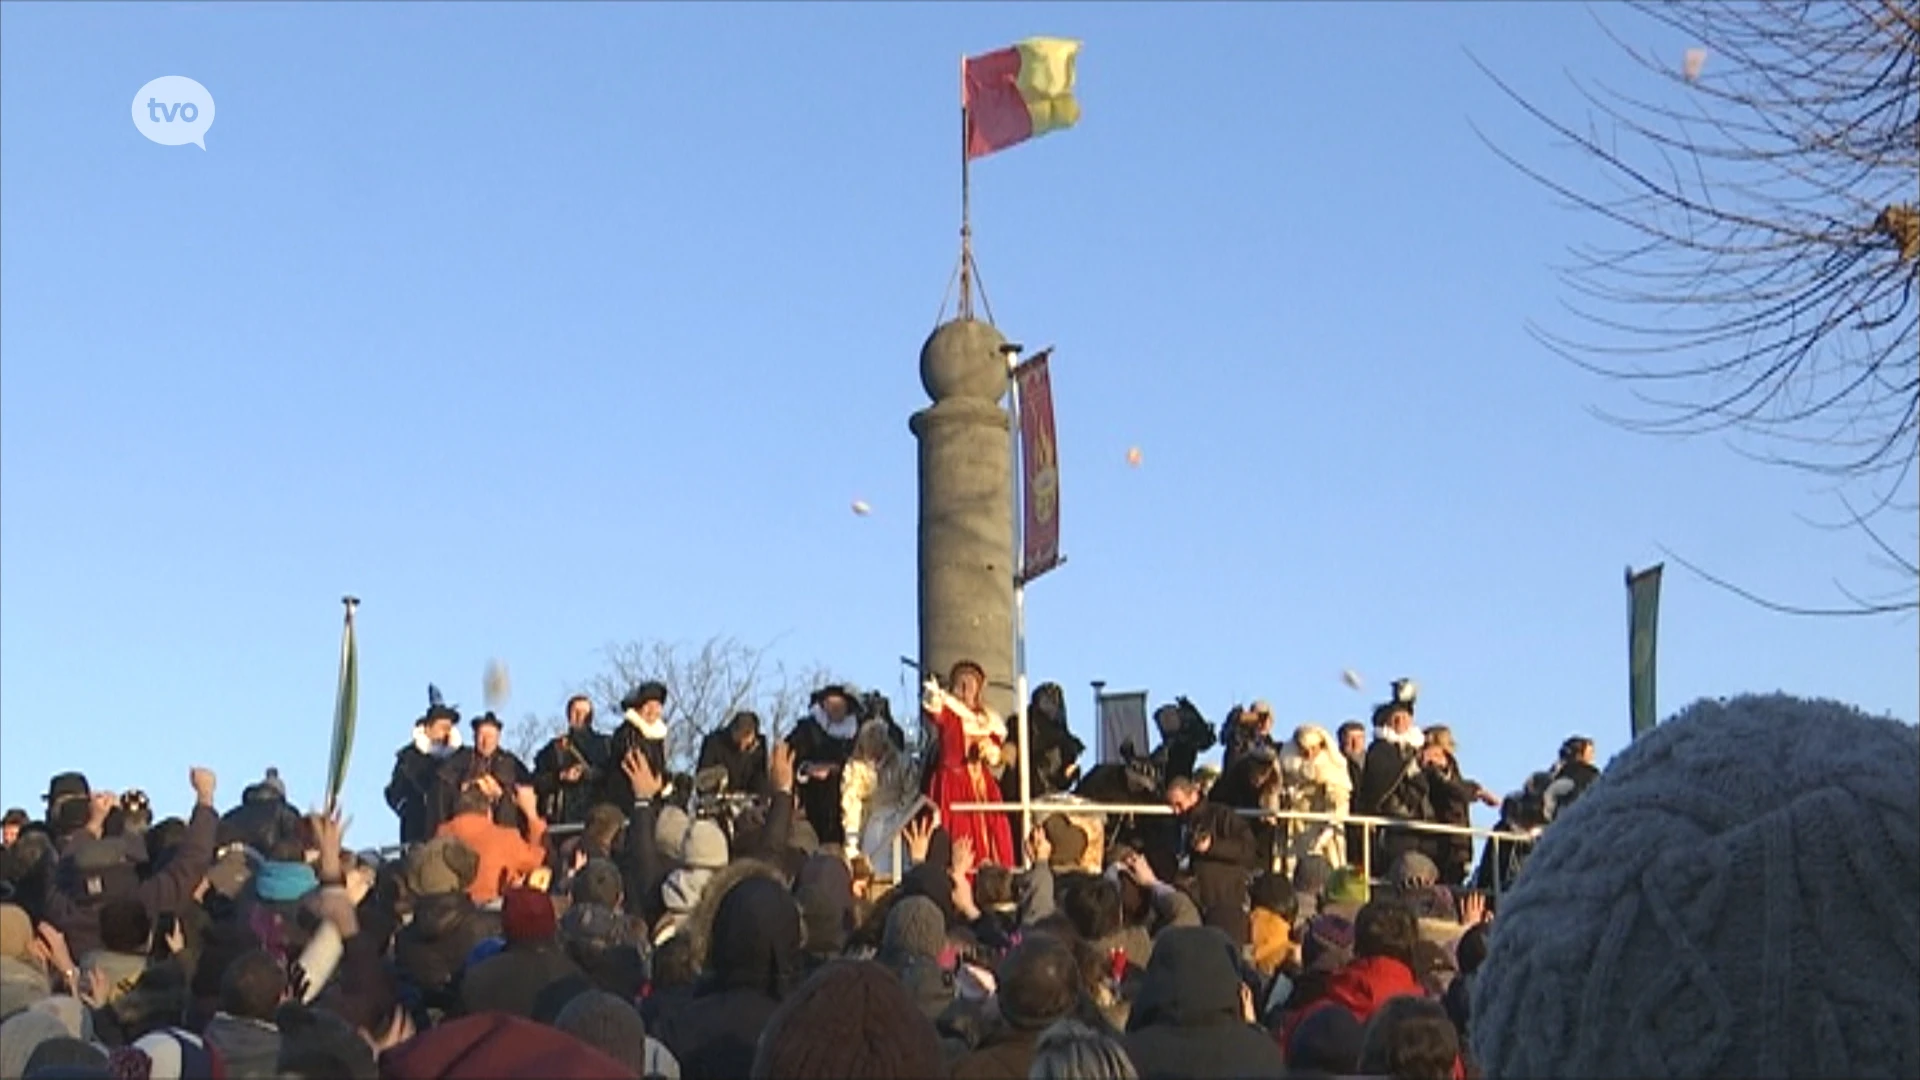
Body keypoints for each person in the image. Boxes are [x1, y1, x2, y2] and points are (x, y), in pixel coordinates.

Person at [921, 661, 1015, 869]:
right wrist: (934, 694)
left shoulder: (988, 719)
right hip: (952, 784)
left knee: (992, 832)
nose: (965, 689)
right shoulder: (950, 712)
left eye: (970, 684)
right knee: (957, 832)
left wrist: (993, 753)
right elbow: (935, 711)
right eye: (961, 683)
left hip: (982, 786)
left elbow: (998, 752)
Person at [840, 719, 920, 880]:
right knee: (874, 866)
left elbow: (911, 792)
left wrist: (900, 817)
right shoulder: (855, 768)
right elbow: (851, 805)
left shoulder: (902, 763)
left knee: (900, 867)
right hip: (872, 822)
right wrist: (852, 843)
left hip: (899, 822)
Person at [786, 686, 863, 846]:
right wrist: (807, 768)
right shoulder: (806, 729)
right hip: (812, 801)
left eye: (840, 705)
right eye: (831, 703)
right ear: (822, 704)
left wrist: (840, 769)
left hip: (844, 803)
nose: (836, 709)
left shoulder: (857, 734)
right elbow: (788, 758)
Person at [385, 688, 464, 844]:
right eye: (442, 728)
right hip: (416, 835)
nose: (446, 733)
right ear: (428, 728)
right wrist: (408, 808)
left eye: (449, 728)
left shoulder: (461, 758)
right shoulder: (408, 758)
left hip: (453, 836)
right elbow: (393, 793)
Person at [434, 712, 532, 832]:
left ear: (498, 737)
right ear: (474, 737)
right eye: (481, 736)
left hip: (502, 831)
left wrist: (500, 794)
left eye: (490, 736)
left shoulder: (511, 764)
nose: (485, 742)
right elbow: (443, 794)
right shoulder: (459, 761)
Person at [532, 695, 610, 827]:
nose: (580, 716)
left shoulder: (606, 746)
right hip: (563, 821)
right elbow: (536, 782)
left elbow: (614, 777)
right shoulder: (553, 749)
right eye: (576, 712)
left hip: (598, 820)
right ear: (568, 715)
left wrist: (592, 774)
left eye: (585, 713)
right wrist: (560, 777)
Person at [604, 682, 672, 808]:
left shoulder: (659, 736)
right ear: (637, 708)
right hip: (629, 803)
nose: (653, 711)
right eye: (647, 706)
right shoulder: (627, 733)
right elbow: (634, 767)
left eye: (657, 706)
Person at [697, 711, 770, 799]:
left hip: (748, 801)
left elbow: (761, 782)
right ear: (733, 730)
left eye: (747, 745)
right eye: (739, 742)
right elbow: (702, 780)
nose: (742, 746)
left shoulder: (759, 749)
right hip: (718, 799)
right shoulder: (714, 743)